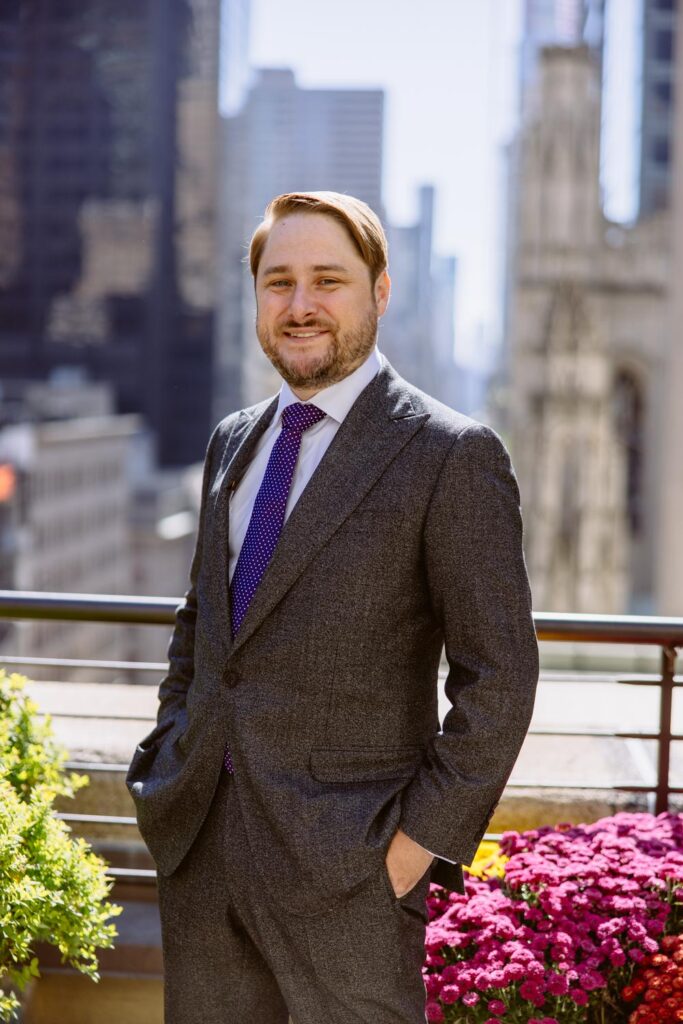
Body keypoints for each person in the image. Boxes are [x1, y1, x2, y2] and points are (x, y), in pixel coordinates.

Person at [126, 190, 539, 1024]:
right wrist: (169, 761)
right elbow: (203, 628)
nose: (301, 305)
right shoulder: (233, 440)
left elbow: (499, 676)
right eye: (278, 283)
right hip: (203, 853)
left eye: (328, 280)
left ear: (379, 291)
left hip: (351, 874)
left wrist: (410, 851)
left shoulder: (449, 455)